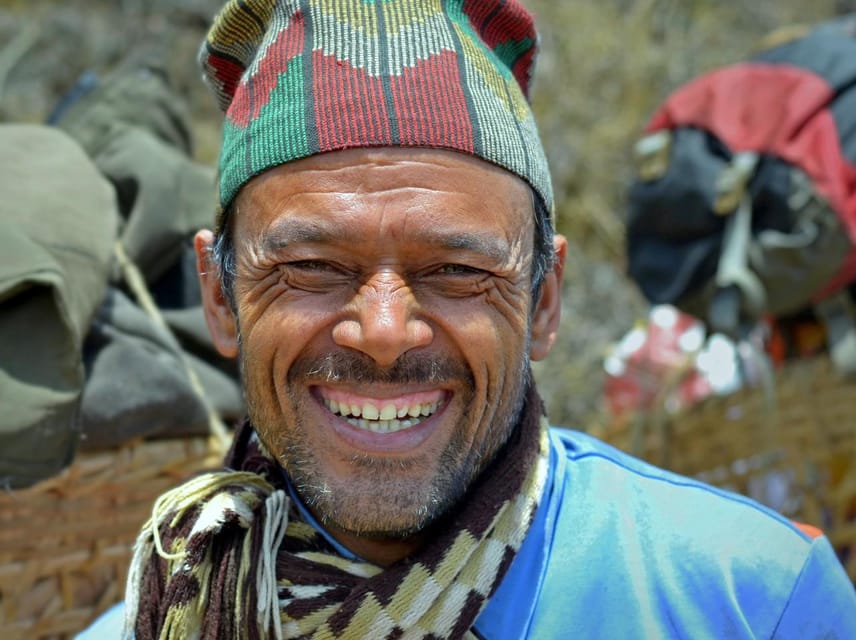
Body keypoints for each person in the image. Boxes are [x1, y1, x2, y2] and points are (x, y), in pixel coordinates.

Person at [78, 1, 856, 638]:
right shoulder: (164, 622)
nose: (383, 332)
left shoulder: (752, 602)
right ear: (220, 297)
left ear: (544, 302)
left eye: (456, 272)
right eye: (312, 269)